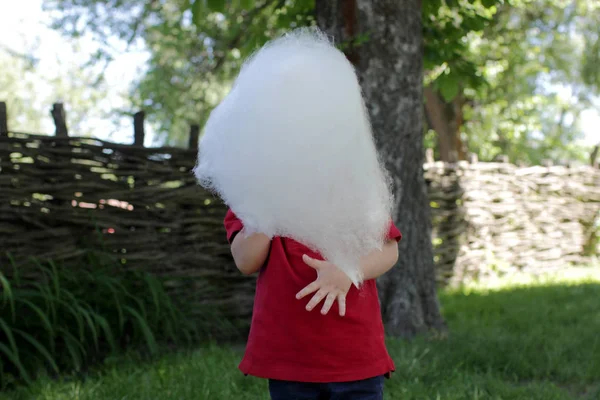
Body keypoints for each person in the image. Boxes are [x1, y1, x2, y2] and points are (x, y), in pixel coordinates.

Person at [224, 209, 402, 400]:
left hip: (356, 353)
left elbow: (389, 249)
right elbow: (246, 261)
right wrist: (268, 204)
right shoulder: (252, 194)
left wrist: (350, 270)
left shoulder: (352, 187)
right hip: (290, 358)